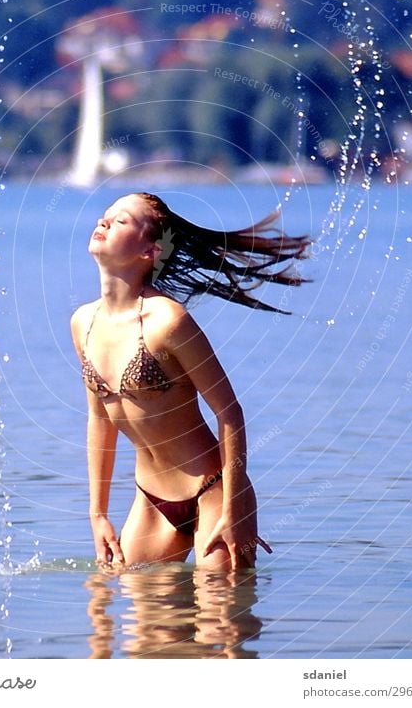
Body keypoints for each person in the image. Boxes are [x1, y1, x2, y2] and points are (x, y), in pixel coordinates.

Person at [71, 192, 310, 570]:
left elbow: (229, 411)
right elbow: (100, 420)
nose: (103, 222)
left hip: (213, 491)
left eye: (121, 221)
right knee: (136, 620)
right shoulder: (83, 322)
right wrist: (97, 513)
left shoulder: (169, 321)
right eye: (105, 216)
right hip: (150, 499)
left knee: (224, 620)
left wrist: (235, 508)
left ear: (149, 251)